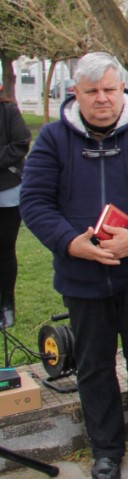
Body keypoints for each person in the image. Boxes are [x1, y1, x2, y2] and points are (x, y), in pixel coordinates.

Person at [21, 52, 128, 479]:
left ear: (122, 89)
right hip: (82, 277)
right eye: (91, 91)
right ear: (75, 93)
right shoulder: (53, 139)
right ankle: (106, 450)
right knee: (93, 365)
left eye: (109, 90)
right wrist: (69, 242)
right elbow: (34, 201)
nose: (101, 99)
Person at [0, 92, 31, 329]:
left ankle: (6, 304)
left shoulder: (8, 110)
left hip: (6, 190)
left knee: (4, 250)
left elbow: (21, 144)